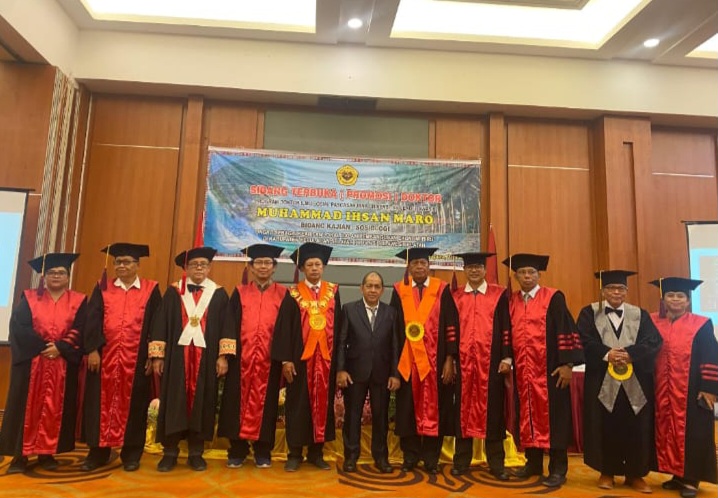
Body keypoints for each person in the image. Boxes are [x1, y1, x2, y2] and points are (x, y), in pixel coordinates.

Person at [502, 253, 583, 489]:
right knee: (527, 417)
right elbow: (507, 334)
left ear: (539, 275)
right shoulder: (512, 301)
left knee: (555, 419)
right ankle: (533, 464)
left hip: (551, 371)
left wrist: (567, 365)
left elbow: (566, 330)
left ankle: (558, 469)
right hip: (523, 372)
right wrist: (507, 360)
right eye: (522, 273)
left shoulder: (553, 298)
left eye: (531, 272)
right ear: (515, 277)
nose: (527, 276)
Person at [0, 253, 86, 474]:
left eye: (61, 273)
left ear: (68, 276)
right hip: (32, 363)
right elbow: (19, 328)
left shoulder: (78, 301)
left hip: (62, 364)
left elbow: (80, 329)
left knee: (55, 410)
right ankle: (20, 456)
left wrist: (60, 347)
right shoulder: (29, 298)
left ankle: (47, 453)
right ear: (43, 276)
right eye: (51, 272)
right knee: (25, 409)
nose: (56, 276)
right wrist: (43, 347)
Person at [577, 270, 662, 494]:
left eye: (620, 289)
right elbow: (582, 340)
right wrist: (607, 354)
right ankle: (607, 471)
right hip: (602, 380)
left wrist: (631, 354)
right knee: (606, 425)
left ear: (626, 291)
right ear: (603, 291)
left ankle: (636, 475)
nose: (616, 292)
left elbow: (653, 341)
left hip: (636, 381)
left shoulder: (640, 314)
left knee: (636, 427)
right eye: (611, 288)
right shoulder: (589, 313)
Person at [217, 244, 301, 469]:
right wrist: (224, 356)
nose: (263, 267)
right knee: (236, 404)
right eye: (258, 263)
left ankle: (263, 451)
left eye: (267, 263)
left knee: (268, 405)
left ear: (274, 267)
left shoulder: (284, 295)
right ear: (251, 267)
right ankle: (237, 450)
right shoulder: (239, 293)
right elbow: (229, 325)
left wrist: (286, 359)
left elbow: (289, 330)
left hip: (269, 361)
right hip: (240, 361)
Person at [80, 243, 162, 472]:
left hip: (136, 360)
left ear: (137, 265)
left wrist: (153, 355)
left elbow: (157, 324)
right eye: (118, 262)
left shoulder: (151, 289)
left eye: (127, 262)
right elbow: (92, 320)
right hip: (104, 359)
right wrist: (92, 350)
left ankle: (131, 454)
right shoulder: (102, 288)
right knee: (99, 405)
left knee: (135, 406)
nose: (122, 266)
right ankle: (98, 452)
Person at [149, 246, 229, 472]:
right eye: (194, 265)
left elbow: (227, 326)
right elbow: (160, 323)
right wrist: (158, 356)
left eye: (203, 264)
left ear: (209, 267)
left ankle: (196, 452)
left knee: (203, 402)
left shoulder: (219, 294)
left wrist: (223, 356)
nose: (199, 268)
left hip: (206, 358)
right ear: (186, 268)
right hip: (177, 358)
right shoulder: (173, 293)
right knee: (174, 401)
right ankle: (170, 452)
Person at [390, 247, 458, 475]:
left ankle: (431, 458)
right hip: (407, 361)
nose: (419, 267)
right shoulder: (399, 290)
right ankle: (410, 456)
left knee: (434, 408)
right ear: (408, 267)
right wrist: (395, 364)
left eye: (423, 263)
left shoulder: (442, 289)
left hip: (436, 362)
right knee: (407, 409)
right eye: (415, 263)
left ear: (429, 266)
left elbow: (451, 325)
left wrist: (449, 359)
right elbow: (394, 329)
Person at [650, 277, 718, 498]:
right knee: (667, 431)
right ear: (663, 299)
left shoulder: (701, 324)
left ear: (688, 301)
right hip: (661, 389)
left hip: (692, 389)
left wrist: (709, 388)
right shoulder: (653, 322)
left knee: (693, 434)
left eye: (681, 296)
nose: (676, 299)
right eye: (671, 295)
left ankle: (691, 479)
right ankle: (676, 475)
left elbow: (711, 356)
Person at [276, 242, 341, 472]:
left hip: (326, 361)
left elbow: (339, 328)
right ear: (302, 268)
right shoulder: (293, 294)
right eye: (310, 265)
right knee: (298, 406)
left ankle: (316, 453)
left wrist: (339, 363)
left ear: (323, 267)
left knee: (323, 406)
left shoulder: (334, 291)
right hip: (300, 361)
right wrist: (286, 360)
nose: (314, 268)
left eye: (318, 264)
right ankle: (294, 453)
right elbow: (284, 329)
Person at [450, 252, 511, 479]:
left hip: (491, 363)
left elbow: (506, 327)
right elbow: (450, 330)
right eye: (470, 267)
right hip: (463, 363)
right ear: (464, 270)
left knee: (493, 412)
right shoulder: (455, 296)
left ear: (485, 270)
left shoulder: (499, 295)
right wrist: (451, 358)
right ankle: (461, 461)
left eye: (478, 267)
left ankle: (497, 464)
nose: (474, 270)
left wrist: (507, 358)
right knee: (462, 411)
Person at [335, 271, 399, 474]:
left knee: (381, 418)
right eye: (369, 286)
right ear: (361, 288)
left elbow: (395, 345)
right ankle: (351, 457)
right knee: (353, 417)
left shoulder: (391, 313)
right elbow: (341, 342)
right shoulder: (349, 309)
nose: (372, 290)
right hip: (354, 373)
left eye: (377, 286)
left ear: (382, 290)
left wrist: (395, 374)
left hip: (382, 374)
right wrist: (341, 370)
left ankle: (381, 458)